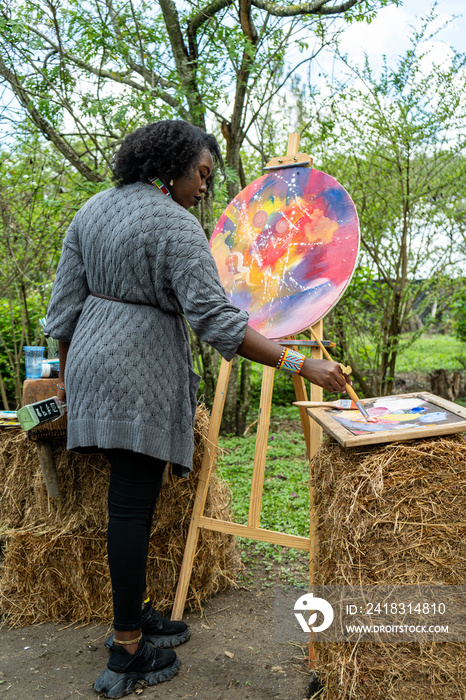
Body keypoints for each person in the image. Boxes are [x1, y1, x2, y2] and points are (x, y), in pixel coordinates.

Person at [45, 119, 348, 698]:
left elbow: (64, 307)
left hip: (88, 364)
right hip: (139, 372)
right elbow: (218, 323)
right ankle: (127, 649)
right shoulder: (176, 225)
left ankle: (140, 610)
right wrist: (300, 364)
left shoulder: (92, 211)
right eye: (202, 175)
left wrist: (70, 379)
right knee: (132, 505)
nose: (205, 187)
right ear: (171, 165)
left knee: (132, 499)